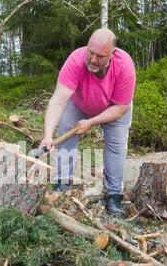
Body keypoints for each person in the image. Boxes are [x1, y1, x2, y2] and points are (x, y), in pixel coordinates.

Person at [38, 28, 136, 219]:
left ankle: (114, 196)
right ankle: (62, 185)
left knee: (116, 148)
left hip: (114, 108)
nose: (92, 59)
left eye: (100, 56)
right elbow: (57, 101)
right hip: (80, 103)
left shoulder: (124, 65)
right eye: (90, 53)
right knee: (65, 132)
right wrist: (47, 135)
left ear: (112, 54)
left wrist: (91, 122)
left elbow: (121, 107)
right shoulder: (76, 60)